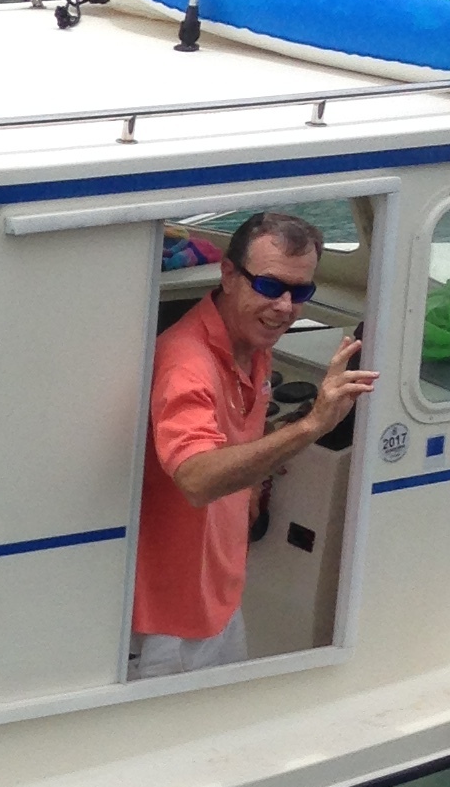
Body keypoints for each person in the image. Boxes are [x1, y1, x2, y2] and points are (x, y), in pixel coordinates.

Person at [129, 208, 377, 680]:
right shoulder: (186, 364)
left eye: (300, 292)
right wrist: (311, 426)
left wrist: (255, 481)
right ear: (228, 274)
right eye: (268, 286)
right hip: (169, 626)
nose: (284, 306)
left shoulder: (255, 346)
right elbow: (197, 479)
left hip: (219, 601)